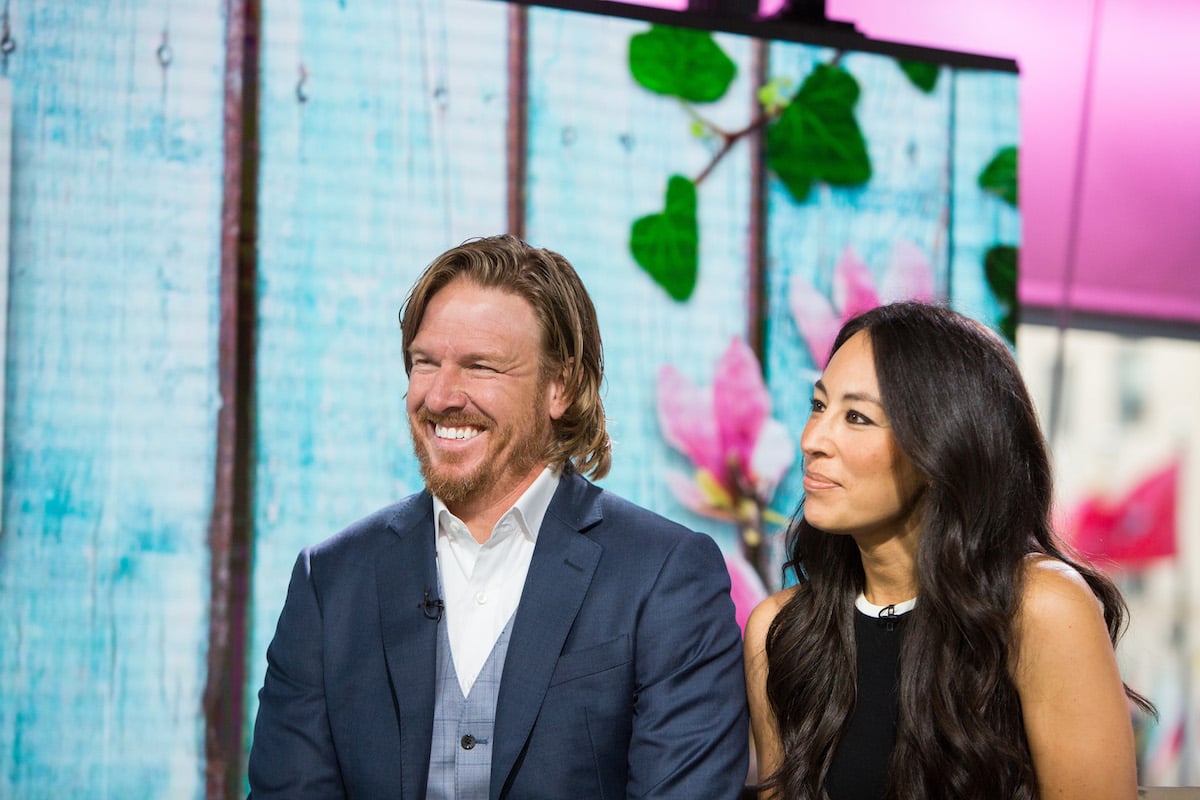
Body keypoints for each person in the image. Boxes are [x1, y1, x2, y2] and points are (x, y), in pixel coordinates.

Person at [247, 234, 748, 799]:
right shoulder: (330, 582)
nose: (440, 396)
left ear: (561, 385)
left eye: (480, 367)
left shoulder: (666, 576)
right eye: (425, 363)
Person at [744, 301, 1153, 800]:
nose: (813, 439)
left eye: (857, 417)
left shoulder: (1040, 608)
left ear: (944, 443)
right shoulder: (781, 630)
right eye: (818, 405)